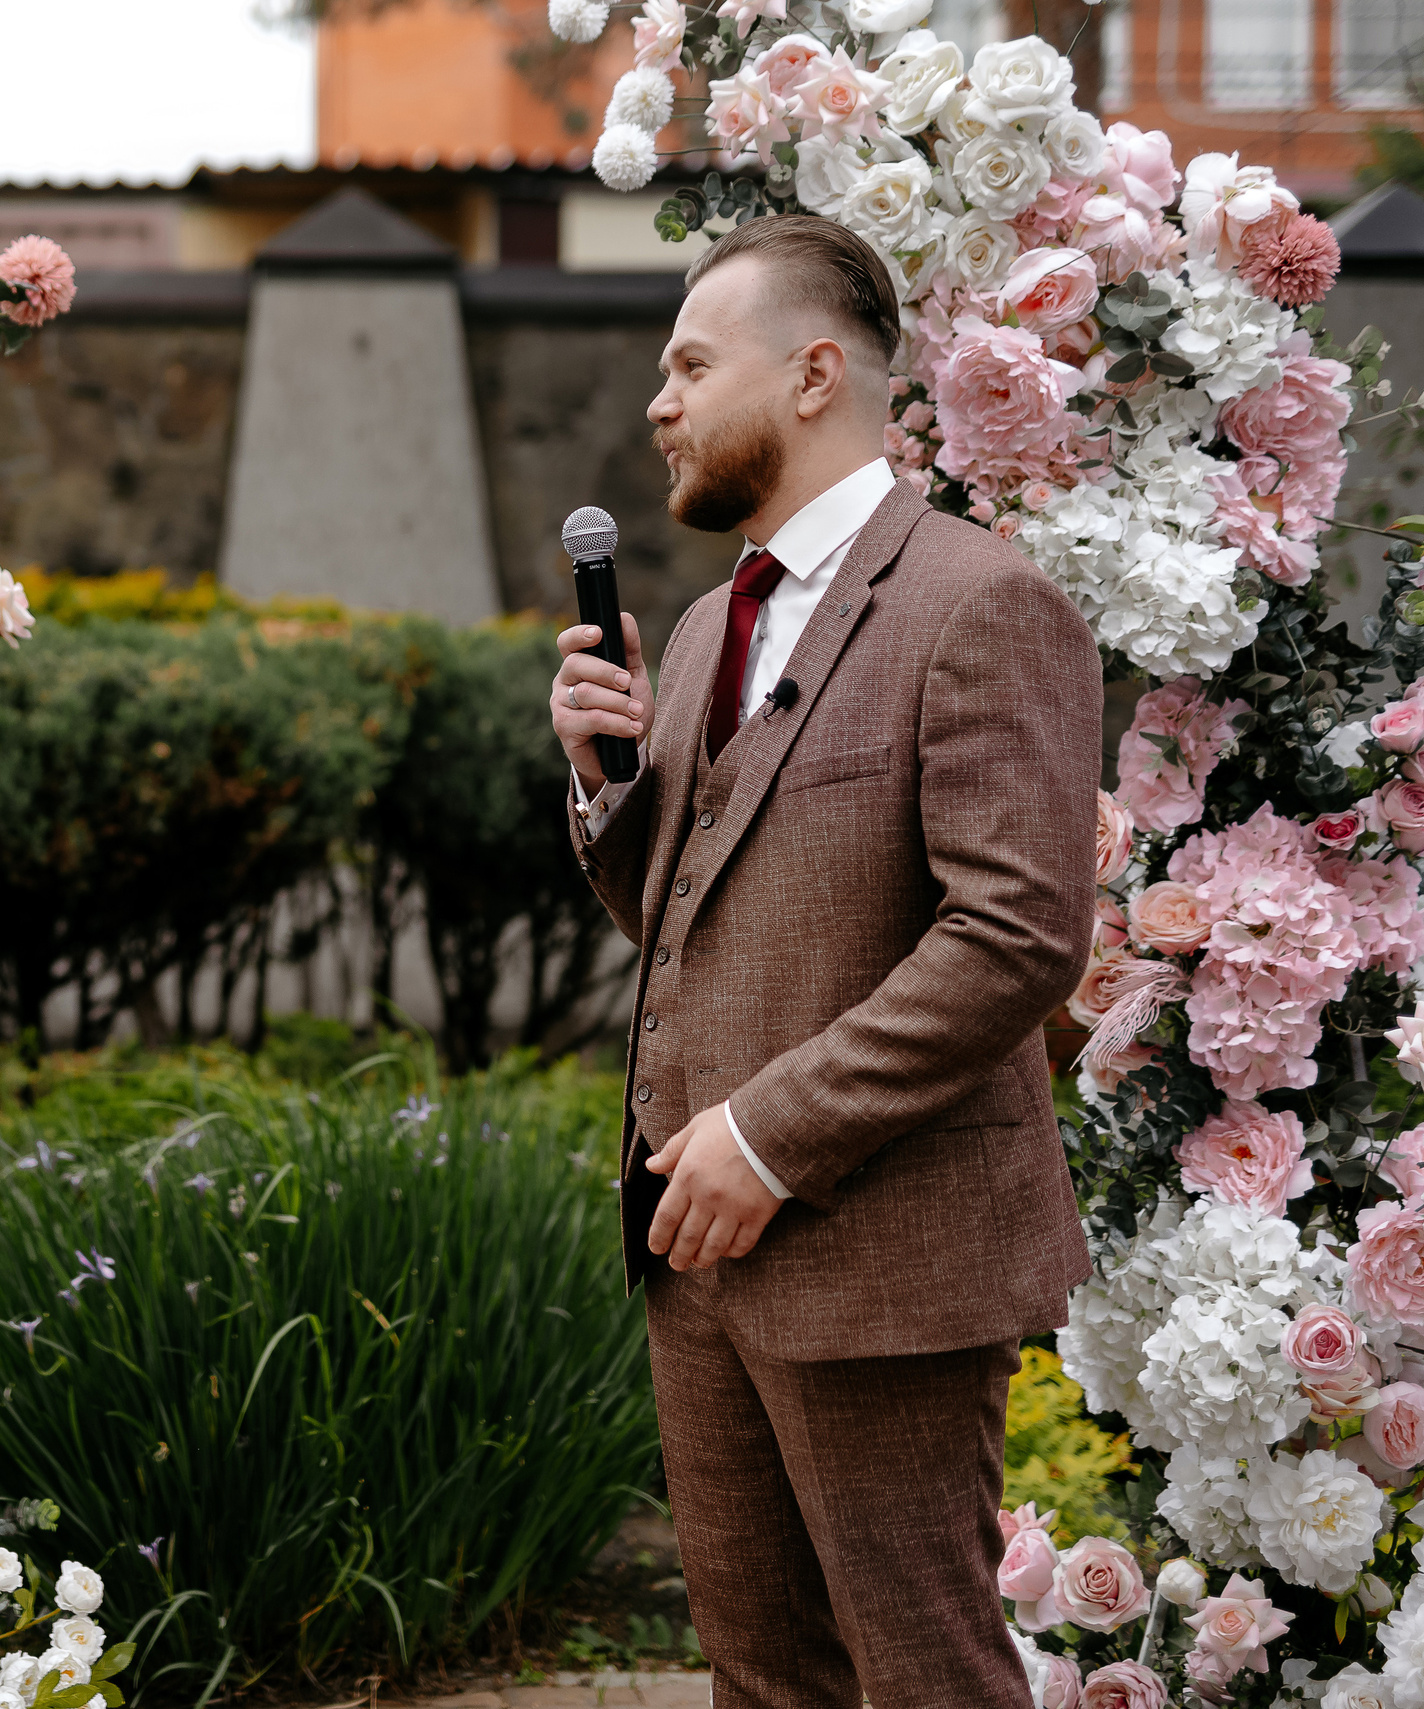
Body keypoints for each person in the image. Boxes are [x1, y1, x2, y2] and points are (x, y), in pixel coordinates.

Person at [548, 217, 1099, 1706]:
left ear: (810, 376)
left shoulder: (978, 603)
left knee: (923, 1675)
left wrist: (769, 1137)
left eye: (689, 364)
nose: (657, 402)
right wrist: (609, 789)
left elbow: (1019, 936)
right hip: (699, 1260)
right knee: (762, 1676)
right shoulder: (703, 622)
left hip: (887, 1258)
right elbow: (698, 927)